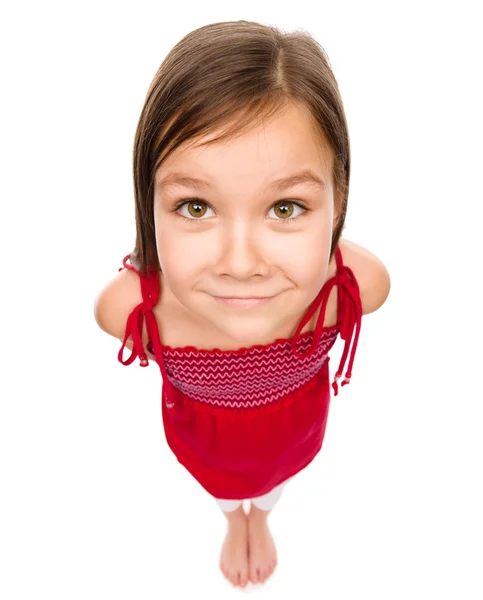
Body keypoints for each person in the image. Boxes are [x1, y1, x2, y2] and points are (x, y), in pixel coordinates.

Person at [93, 20, 390, 588]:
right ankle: (234, 519)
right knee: (224, 490)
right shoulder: (135, 309)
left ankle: (265, 515)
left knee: (274, 485)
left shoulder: (350, 287)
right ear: (147, 200)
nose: (240, 262)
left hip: (294, 432)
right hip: (206, 443)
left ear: (338, 200)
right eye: (197, 207)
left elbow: (366, 276)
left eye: (285, 208)